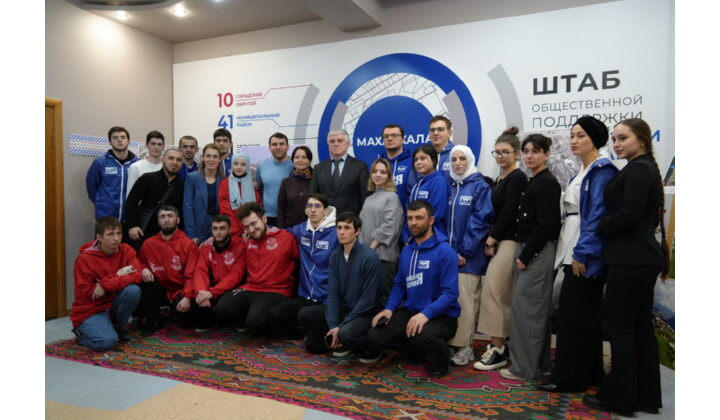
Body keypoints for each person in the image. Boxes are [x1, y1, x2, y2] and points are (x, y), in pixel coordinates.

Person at [582, 118, 669, 416]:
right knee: (639, 328)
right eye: (615, 139)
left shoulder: (638, 169)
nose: (617, 144)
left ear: (641, 140)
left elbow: (629, 214)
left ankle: (620, 398)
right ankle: (645, 397)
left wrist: (600, 225)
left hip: (629, 259)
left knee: (621, 329)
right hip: (639, 258)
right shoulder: (641, 168)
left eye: (623, 138)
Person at [536, 116, 618, 393]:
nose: (574, 140)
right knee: (582, 317)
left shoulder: (601, 171)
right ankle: (590, 373)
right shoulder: (584, 171)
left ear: (595, 139)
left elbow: (596, 216)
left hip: (582, 253)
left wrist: (582, 253)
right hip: (573, 246)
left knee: (573, 318)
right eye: (572, 135)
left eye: (581, 135)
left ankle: (567, 377)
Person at [361, 200, 460, 378]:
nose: (413, 223)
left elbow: (450, 293)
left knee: (421, 335)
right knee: (374, 335)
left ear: (431, 220)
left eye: (419, 218)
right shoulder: (407, 250)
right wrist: (389, 309)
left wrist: (426, 314)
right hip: (411, 310)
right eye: (410, 218)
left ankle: (442, 359)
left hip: (442, 316)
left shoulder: (445, 251)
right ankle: (417, 351)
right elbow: (399, 284)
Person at [499, 133, 561, 382]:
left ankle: (524, 369)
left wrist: (526, 255)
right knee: (530, 310)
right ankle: (540, 365)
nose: (529, 156)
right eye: (526, 151)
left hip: (537, 251)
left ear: (547, 154)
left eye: (535, 151)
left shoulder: (547, 182)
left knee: (528, 311)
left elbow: (547, 225)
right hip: (529, 249)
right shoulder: (535, 180)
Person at [473, 127, 528, 372]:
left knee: (493, 292)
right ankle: (500, 345)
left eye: (506, 152)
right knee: (499, 294)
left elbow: (509, 212)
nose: (500, 156)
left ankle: (497, 349)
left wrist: (492, 239)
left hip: (509, 240)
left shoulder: (517, 177)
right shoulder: (501, 179)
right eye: (497, 152)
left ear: (516, 153)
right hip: (501, 240)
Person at [297, 212, 382, 355]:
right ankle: (337, 336)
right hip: (345, 309)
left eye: (347, 228)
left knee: (345, 334)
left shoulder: (370, 257)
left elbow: (368, 301)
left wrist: (341, 326)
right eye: (339, 227)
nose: (342, 232)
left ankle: (362, 344)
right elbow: (333, 293)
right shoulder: (336, 255)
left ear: (357, 231)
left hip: (366, 313)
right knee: (306, 323)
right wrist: (333, 326)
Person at [212, 202, 299, 335]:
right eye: (247, 226)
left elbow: (299, 259)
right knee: (220, 309)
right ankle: (247, 319)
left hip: (276, 290)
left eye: (253, 223)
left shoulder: (285, 237)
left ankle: (260, 321)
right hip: (251, 287)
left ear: (264, 219)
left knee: (255, 323)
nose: (251, 229)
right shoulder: (248, 240)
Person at [445, 145, 494, 366]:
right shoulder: (448, 186)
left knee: (466, 302)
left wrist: (464, 251)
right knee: (449, 301)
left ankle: (465, 346)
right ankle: (450, 341)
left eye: (462, 159)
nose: (457, 163)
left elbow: (480, 221)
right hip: (447, 256)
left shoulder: (480, 186)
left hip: (469, 257)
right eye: (454, 159)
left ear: (470, 160)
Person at [268, 193, 338, 335]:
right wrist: (260, 230)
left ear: (325, 211)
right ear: (305, 210)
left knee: (312, 338)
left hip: (326, 298)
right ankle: (303, 332)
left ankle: (317, 329)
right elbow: (280, 233)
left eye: (317, 206)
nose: (313, 210)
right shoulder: (300, 230)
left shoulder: (336, 233)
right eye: (310, 206)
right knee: (275, 315)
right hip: (305, 295)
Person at [70, 216, 142, 351]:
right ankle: (81, 334)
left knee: (133, 290)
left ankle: (117, 329)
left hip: (111, 303)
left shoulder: (127, 250)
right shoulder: (84, 259)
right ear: (99, 237)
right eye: (110, 234)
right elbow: (89, 293)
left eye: (119, 233)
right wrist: (118, 276)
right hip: (91, 309)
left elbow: (137, 276)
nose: (116, 238)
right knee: (107, 343)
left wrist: (103, 285)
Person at [135, 206, 199, 337]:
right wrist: (143, 268)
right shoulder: (149, 243)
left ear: (178, 220)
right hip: (158, 289)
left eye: (170, 216)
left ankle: (172, 313)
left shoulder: (188, 245)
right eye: (162, 217)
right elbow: (138, 263)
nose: (166, 220)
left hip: (180, 291)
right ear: (158, 221)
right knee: (141, 281)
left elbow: (191, 275)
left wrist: (187, 297)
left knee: (188, 319)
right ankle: (153, 320)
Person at [190, 214, 247, 332]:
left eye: (222, 228)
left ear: (230, 230)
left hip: (236, 287)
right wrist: (201, 292)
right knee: (191, 307)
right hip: (214, 286)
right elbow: (200, 271)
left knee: (225, 307)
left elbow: (235, 276)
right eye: (215, 229)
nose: (218, 232)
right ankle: (214, 319)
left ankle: (235, 320)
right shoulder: (206, 247)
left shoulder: (241, 246)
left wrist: (212, 293)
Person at [358, 158, 403, 303]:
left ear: (389, 176)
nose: (378, 175)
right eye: (375, 171)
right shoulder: (369, 199)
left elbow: (390, 226)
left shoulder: (392, 197)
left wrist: (371, 248)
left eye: (383, 172)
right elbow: (362, 227)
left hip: (384, 258)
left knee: (384, 300)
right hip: (368, 257)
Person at [124, 148, 185, 250]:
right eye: (171, 158)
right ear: (162, 160)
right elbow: (130, 203)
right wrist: (132, 225)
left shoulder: (183, 185)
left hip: (170, 236)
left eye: (178, 160)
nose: (175, 162)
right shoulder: (147, 179)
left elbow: (183, 212)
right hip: (144, 232)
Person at [309, 129, 370, 215]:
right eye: (332, 141)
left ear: (348, 144)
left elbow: (365, 197)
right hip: (325, 219)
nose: (336, 144)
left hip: (350, 219)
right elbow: (313, 197)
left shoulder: (360, 166)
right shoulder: (319, 168)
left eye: (340, 140)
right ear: (328, 145)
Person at [86, 126, 139, 220]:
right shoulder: (100, 162)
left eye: (123, 137)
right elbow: (92, 187)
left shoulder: (137, 164)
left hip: (130, 217)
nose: (119, 140)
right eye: (115, 138)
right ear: (110, 142)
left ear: (129, 141)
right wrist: (102, 203)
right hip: (106, 217)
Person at [402, 144, 449, 242]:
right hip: (415, 237)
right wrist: (407, 235)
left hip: (432, 237)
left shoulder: (439, 181)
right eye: (416, 160)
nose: (418, 162)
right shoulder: (417, 185)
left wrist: (418, 232)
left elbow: (436, 213)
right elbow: (409, 212)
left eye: (423, 158)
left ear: (434, 160)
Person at [183, 144, 225, 244]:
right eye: (208, 156)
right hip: (198, 228)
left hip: (217, 228)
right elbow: (188, 207)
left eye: (215, 156)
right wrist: (191, 234)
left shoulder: (223, 180)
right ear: (203, 157)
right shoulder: (192, 178)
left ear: (219, 160)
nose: (211, 159)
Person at [218, 152, 262, 237]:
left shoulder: (251, 185)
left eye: (243, 164)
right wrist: (237, 231)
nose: (239, 167)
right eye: (236, 163)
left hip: (251, 230)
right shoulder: (224, 184)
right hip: (233, 231)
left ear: (247, 167)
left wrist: (249, 228)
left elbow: (257, 209)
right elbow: (225, 211)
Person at [256, 132, 294, 226]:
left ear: (288, 147)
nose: (278, 147)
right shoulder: (262, 166)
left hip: (291, 215)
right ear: (269, 147)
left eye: (281, 144)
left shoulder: (296, 165)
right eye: (274, 144)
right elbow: (259, 189)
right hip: (269, 217)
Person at [277, 146, 313, 229]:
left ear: (310, 161)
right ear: (293, 161)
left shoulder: (316, 180)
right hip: (290, 229)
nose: (300, 160)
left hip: (312, 229)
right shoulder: (286, 182)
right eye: (297, 157)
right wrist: (282, 231)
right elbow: (281, 210)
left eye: (304, 157)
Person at [379, 124, 416, 206]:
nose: (390, 138)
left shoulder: (413, 163)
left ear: (403, 140)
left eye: (394, 135)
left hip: (406, 212)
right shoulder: (378, 165)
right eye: (386, 136)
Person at [126, 130, 165, 196]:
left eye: (159, 144)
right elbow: (130, 195)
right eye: (153, 144)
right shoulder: (136, 167)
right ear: (146, 145)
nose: (156, 147)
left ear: (163, 147)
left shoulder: (167, 167)